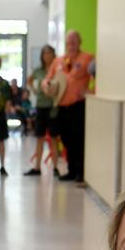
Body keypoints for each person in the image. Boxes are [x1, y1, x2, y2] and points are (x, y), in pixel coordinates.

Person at [43, 30, 94, 184]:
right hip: (61, 107)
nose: (71, 45)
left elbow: (101, 77)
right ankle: (71, 170)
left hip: (78, 106)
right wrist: (46, 86)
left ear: (79, 42)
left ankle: (81, 171)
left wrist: (91, 91)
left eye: (74, 42)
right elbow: (47, 80)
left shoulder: (88, 58)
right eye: (68, 43)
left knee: (79, 139)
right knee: (66, 139)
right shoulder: (58, 61)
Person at [24, 45, 60, 177]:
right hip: (40, 106)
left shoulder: (57, 70)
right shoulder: (38, 71)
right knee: (39, 137)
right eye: (44, 54)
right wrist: (34, 90)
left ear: (53, 54)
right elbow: (29, 80)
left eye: (49, 53)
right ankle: (37, 167)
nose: (47, 56)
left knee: (54, 138)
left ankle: (56, 167)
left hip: (53, 107)